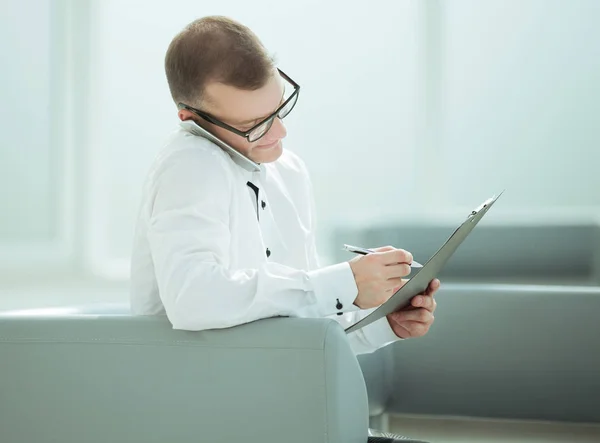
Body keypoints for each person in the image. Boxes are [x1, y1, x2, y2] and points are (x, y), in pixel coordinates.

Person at [130, 15, 438, 443]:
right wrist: (338, 283)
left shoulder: (287, 171)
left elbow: (295, 318)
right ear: (191, 117)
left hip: (283, 408)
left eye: (279, 107)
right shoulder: (189, 164)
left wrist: (381, 322)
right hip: (207, 417)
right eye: (254, 125)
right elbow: (193, 298)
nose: (280, 131)